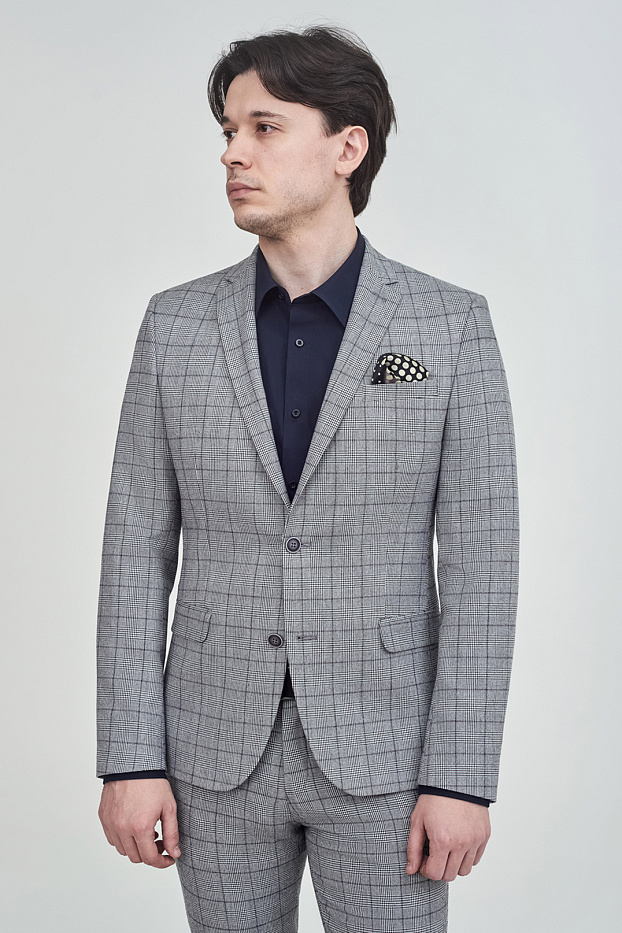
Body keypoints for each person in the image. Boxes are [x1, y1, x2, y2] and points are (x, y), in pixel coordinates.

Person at [96, 24, 519, 933]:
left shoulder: (449, 326)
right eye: (227, 131)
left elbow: (483, 566)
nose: (232, 153)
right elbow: (134, 552)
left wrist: (460, 775)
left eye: (263, 127)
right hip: (212, 753)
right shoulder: (174, 327)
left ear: (346, 148)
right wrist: (130, 758)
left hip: (389, 756)